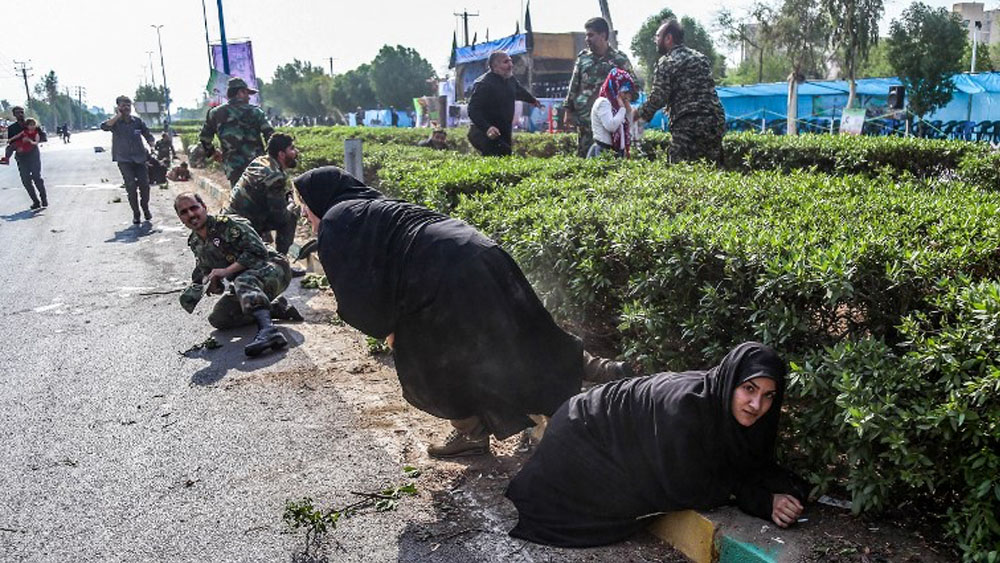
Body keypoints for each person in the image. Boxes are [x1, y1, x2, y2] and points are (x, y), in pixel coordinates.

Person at [292, 167, 632, 458]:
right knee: (522, 329)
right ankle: (603, 370)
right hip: (479, 249)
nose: (304, 214)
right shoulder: (371, 204)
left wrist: (389, 331)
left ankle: (472, 433)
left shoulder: (336, 220)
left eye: (304, 205)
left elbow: (356, 292)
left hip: (442, 273)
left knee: (429, 361)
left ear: (320, 198)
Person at [505, 342, 808, 547]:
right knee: (620, 500)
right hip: (582, 434)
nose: (756, 405)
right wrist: (762, 501)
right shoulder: (688, 409)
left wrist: (788, 487)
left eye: (768, 395)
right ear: (731, 382)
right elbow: (687, 485)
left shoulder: (728, 407)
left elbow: (744, 461)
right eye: (749, 389)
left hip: (599, 430)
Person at [174, 192, 302, 357]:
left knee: (242, 279)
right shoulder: (195, 242)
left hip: (274, 268)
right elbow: (209, 274)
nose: (191, 214)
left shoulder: (228, 224)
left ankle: (268, 331)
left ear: (204, 207)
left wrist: (226, 271)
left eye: (194, 208)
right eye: (184, 212)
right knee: (219, 318)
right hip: (247, 283)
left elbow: (258, 252)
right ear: (180, 218)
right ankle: (275, 307)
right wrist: (214, 284)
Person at [636, 19, 726, 164]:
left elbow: (659, 97)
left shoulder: (667, 61)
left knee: (680, 168)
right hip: (715, 121)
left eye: (657, 36)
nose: (655, 40)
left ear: (668, 38)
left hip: (688, 124)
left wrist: (638, 114)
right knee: (711, 168)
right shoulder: (701, 58)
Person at [564, 17, 635, 158]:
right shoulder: (583, 58)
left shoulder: (620, 60)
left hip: (610, 124)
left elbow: (634, 87)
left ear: (603, 35)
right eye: (586, 35)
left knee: (610, 161)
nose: (587, 39)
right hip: (585, 122)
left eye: (591, 35)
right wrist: (568, 110)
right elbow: (574, 85)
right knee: (584, 159)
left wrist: (622, 99)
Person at [224, 133, 300, 256]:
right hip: (243, 226)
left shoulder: (260, 161)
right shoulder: (275, 176)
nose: (296, 152)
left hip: (230, 218)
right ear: (281, 154)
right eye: (292, 149)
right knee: (292, 213)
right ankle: (280, 258)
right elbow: (280, 216)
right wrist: (292, 203)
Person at [199, 77, 274, 186]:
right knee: (260, 193)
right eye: (247, 93)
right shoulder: (256, 112)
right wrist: (272, 159)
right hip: (257, 166)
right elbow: (270, 136)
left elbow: (204, 138)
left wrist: (212, 152)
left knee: (239, 194)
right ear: (240, 92)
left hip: (234, 168)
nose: (249, 97)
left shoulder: (215, 113)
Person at [467, 51, 543, 156]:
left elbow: (519, 91)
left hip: (504, 131)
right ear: (495, 66)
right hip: (485, 132)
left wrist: (532, 100)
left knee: (505, 155)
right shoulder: (484, 84)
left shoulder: (510, 80)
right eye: (506, 62)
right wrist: (487, 128)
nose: (511, 65)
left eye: (510, 61)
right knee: (497, 155)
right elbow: (473, 110)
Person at [101, 96, 156, 224]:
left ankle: (145, 207)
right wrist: (117, 116)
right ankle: (136, 213)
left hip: (139, 158)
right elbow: (104, 127)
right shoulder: (115, 123)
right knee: (130, 186)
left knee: (145, 185)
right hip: (124, 159)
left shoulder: (137, 121)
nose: (126, 108)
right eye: (123, 106)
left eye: (128, 106)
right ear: (118, 107)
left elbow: (148, 135)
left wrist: (152, 146)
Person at [1, 107, 48, 210]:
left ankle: (44, 198)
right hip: (21, 157)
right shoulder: (12, 128)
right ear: (14, 115)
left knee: (37, 177)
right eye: (17, 113)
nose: (20, 114)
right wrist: (18, 148)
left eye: (22, 112)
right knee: (26, 180)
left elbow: (43, 138)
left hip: (33, 155)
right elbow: (11, 142)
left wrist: (31, 140)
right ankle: (35, 201)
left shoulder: (32, 124)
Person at [587, 68, 636, 158]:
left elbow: (631, 122)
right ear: (615, 88)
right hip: (604, 151)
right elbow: (611, 126)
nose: (627, 96)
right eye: (625, 92)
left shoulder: (617, 105)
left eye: (629, 93)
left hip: (617, 151)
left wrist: (628, 109)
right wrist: (622, 109)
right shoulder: (603, 102)